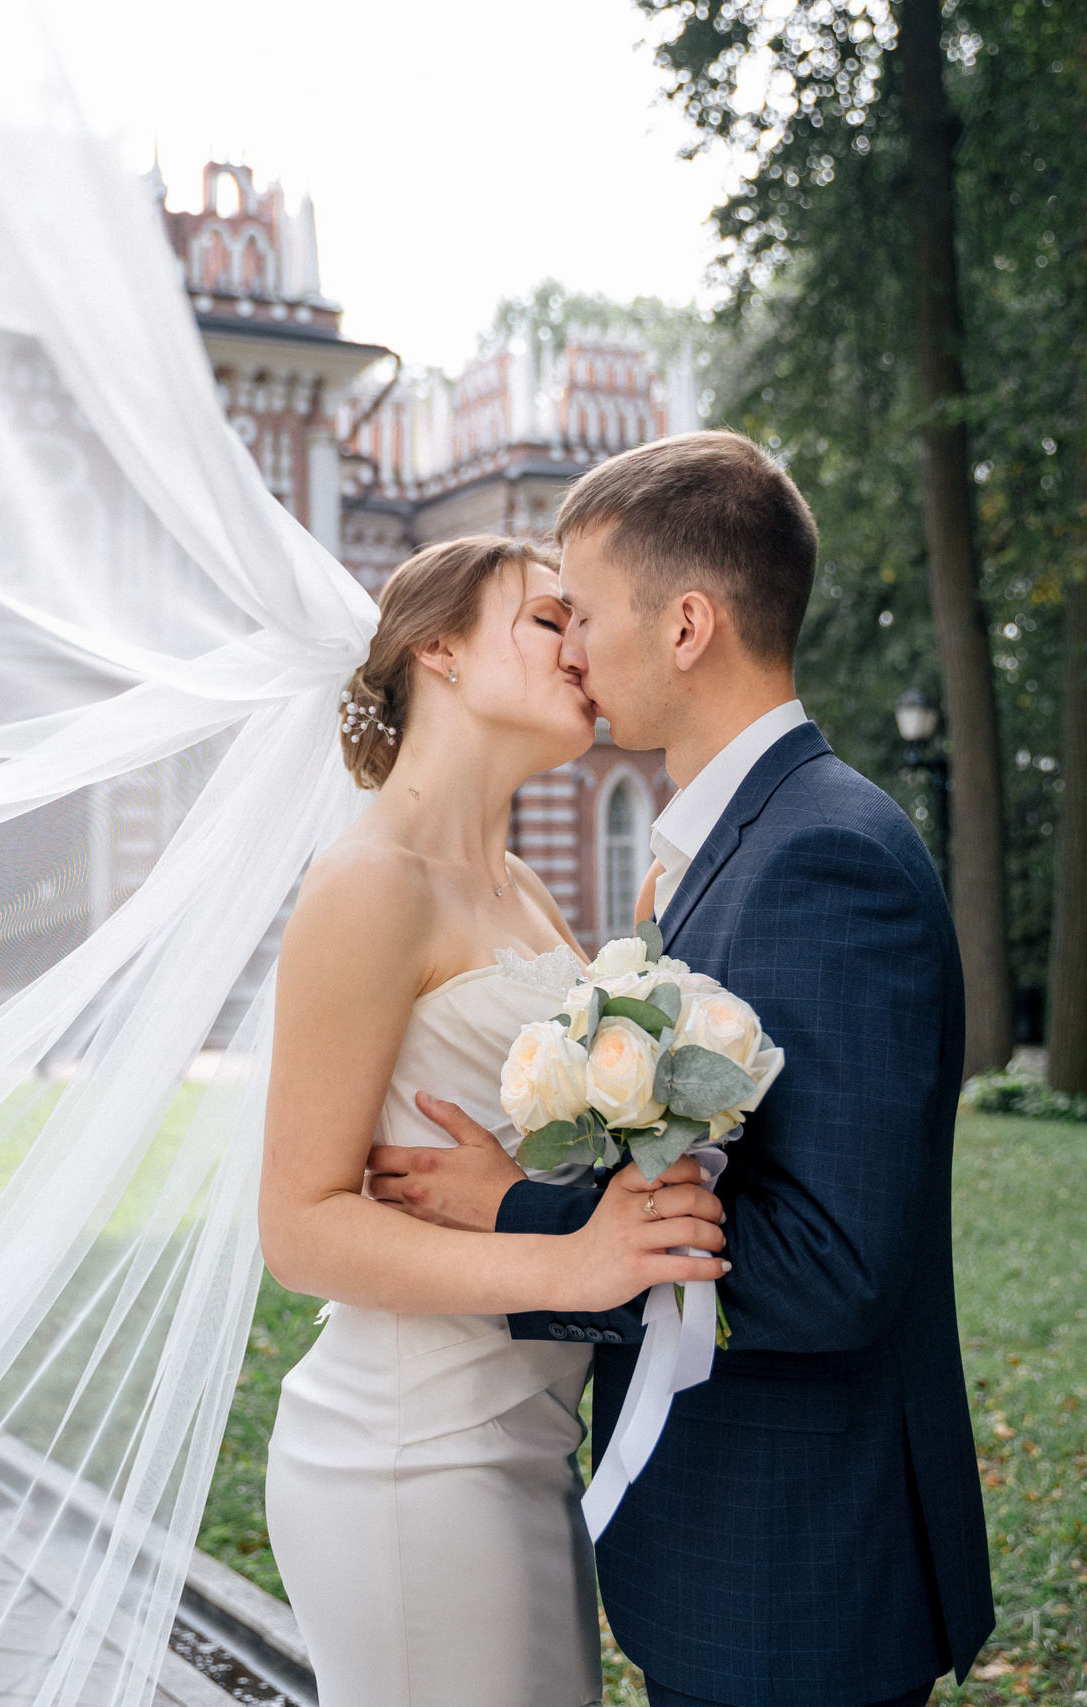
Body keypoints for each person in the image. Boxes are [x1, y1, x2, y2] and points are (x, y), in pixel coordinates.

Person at [369, 433, 995, 1707]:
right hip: (733, 1558)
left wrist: (519, 1212)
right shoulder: (731, 847)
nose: (571, 648)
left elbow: (831, 1271)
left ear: (689, 625)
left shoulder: (826, 858)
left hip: (795, 1577)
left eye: (585, 612)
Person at [259, 535, 731, 1707]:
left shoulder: (517, 885)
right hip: (411, 1457)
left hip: (518, 1446)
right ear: (438, 652)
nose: (580, 649)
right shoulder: (370, 884)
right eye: (544, 621)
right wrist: (573, 1263)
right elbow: (300, 1229)